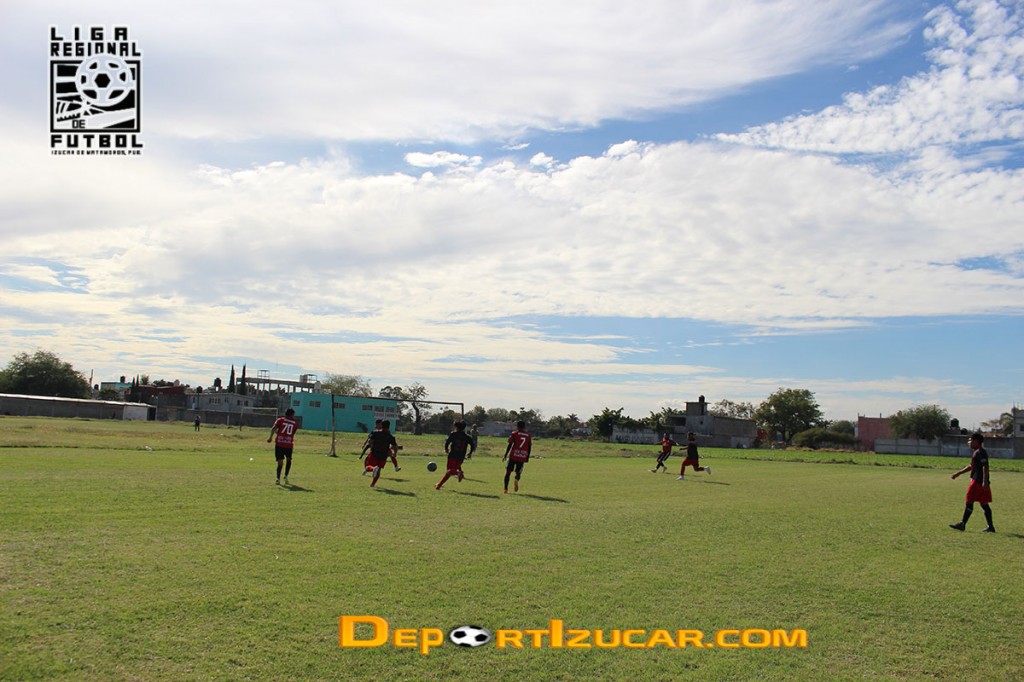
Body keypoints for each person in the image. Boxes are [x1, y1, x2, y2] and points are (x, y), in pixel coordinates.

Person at [950, 432, 995, 532]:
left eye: (971, 440)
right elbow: (971, 466)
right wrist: (958, 473)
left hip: (977, 482)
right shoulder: (976, 452)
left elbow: (985, 467)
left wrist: (984, 481)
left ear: (976, 441)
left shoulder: (980, 452)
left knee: (969, 501)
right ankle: (991, 527)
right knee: (984, 504)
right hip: (981, 482)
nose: (969, 442)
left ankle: (962, 524)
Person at [436, 420, 475, 490]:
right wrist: (470, 453)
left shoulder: (453, 434)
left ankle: (458, 473)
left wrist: (446, 449)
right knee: (450, 472)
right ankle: (439, 485)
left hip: (453, 455)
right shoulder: (467, 437)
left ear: (456, 427)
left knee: (449, 470)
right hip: (461, 457)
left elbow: (447, 442)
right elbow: (472, 445)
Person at [363, 419, 398, 488]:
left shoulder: (376, 433)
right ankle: (372, 484)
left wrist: (371, 446)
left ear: (381, 425)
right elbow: (395, 446)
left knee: (368, 467)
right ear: (389, 426)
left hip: (374, 453)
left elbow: (370, 441)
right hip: (383, 455)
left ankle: (373, 469)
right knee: (378, 470)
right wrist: (395, 453)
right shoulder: (390, 436)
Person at [267, 408, 298, 485]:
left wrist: (270, 437)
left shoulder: (280, 420)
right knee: (289, 460)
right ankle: (286, 476)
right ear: (292, 415)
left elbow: (274, 428)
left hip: (279, 444)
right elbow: (292, 433)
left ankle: (278, 478)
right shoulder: (295, 423)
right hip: (288, 444)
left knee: (280, 462)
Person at [503, 420, 532, 494]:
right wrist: (527, 456)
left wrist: (505, 454)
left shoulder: (514, 433)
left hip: (513, 455)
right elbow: (529, 447)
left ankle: (505, 489)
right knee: (518, 472)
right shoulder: (528, 435)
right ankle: (516, 479)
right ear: (524, 427)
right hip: (522, 456)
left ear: (517, 426)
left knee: (508, 472)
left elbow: (510, 444)